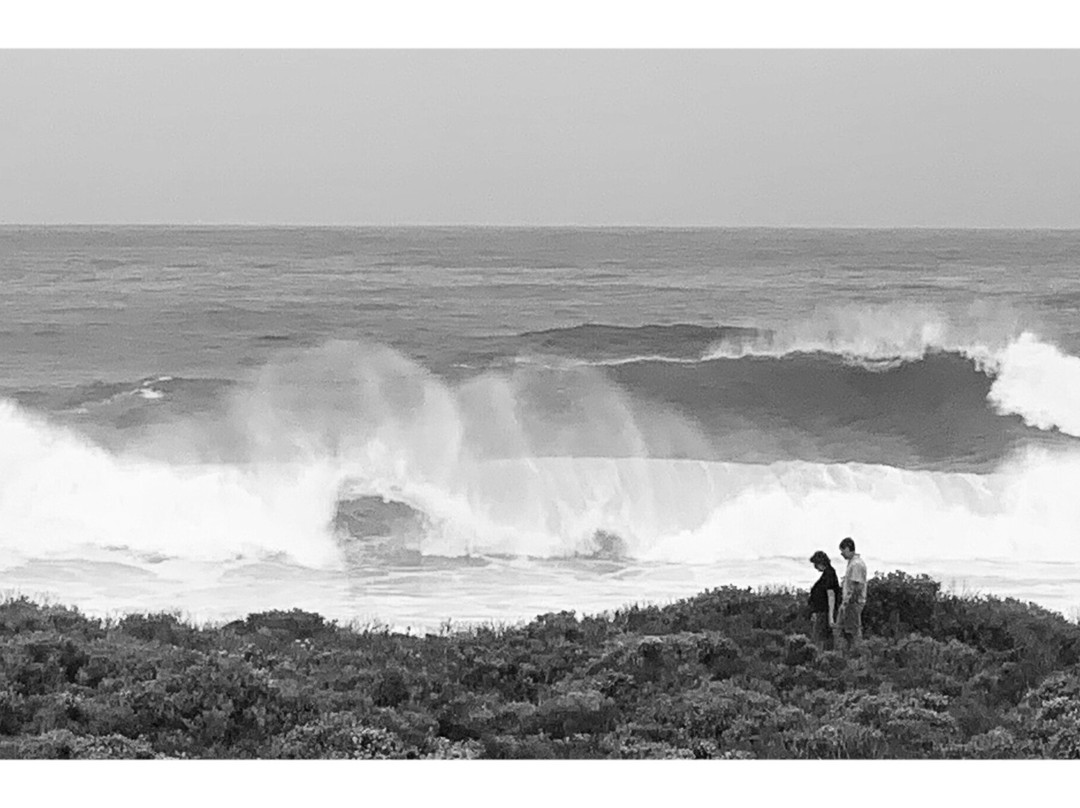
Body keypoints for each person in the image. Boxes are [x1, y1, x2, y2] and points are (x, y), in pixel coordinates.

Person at [838, 537, 868, 650]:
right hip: (851, 602)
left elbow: (857, 586)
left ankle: (857, 652)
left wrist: (848, 602)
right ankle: (851, 652)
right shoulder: (853, 563)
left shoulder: (856, 564)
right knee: (848, 630)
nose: (841, 554)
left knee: (853, 631)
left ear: (848, 548)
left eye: (842, 550)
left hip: (853, 602)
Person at [808, 550, 841, 650]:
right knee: (823, 640)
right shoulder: (826, 574)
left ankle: (823, 659)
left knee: (820, 640)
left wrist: (831, 616)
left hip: (825, 613)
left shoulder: (829, 574)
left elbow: (831, 595)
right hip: (821, 612)